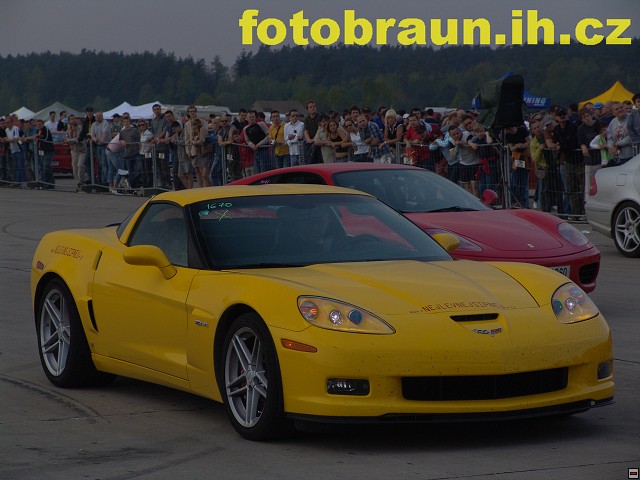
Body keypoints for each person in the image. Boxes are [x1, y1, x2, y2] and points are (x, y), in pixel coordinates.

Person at [117, 113, 140, 189]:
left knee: (139, 169)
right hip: (127, 154)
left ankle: (130, 181)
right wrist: (122, 141)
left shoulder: (134, 130)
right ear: (123, 123)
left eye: (127, 121)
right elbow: (120, 139)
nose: (126, 123)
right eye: (125, 121)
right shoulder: (122, 131)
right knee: (130, 171)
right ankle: (132, 187)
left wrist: (139, 149)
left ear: (130, 122)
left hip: (135, 152)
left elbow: (139, 140)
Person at [607, 102, 633, 166]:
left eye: (621, 107)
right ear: (613, 113)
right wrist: (611, 147)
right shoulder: (612, 122)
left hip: (633, 155)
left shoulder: (632, 118)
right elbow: (610, 138)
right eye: (617, 109)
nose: (620, 110)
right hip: (620, 157)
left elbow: (632, 136)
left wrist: (617, 144)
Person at [65, 114, 86, 189]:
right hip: (74, 150)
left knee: (80, 165)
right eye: (72, 119)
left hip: (82, 150)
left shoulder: (80, 128)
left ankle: (82, 180)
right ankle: (78, 182)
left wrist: (71, 141)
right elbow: (66, 139)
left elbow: (79, 138)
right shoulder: (68, 129)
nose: (73, 120)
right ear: (69, 121)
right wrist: (70, 141)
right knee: (74, 167)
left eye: (74, 118)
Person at [90, 111, 111, 185]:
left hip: (105, 145)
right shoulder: (93, 124)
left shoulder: (105, 123)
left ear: (102, 116)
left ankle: (105, 181)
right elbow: (92, 135)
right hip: (98, 145)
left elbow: (105, 133)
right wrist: (95, 139)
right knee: (100, 164)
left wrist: (102, 140)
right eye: (96, 116)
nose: (98, 117)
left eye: (99, 116)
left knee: (104, 164)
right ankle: (100, 180)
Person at [34, 119, 54, 188]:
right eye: (37, 124)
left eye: (40, 124)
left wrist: (38, 137)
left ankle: (47, 183)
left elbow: (45, 138)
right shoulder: (38, 131)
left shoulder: (46, 130)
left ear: (43, 124)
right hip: (41, 151)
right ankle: (48, 183)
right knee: (43, 168)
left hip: (48, 151)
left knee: (46, 166)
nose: (39, 126)